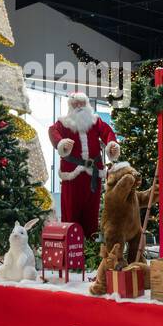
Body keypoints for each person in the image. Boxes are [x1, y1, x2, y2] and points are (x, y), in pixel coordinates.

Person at [47, 91, 119, 238]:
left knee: (92, 213)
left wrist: (111, 144)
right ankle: (72, 247)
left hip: (93, 174)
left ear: (87, 105)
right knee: (71, 213)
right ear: (70, 106)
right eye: (75, 104)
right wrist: (61, 143)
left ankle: (91, 249)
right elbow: (53, 131)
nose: (79, 107)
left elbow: (107, 132)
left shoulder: (95, 122)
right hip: (73, 175)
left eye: (82, 103)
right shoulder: (64, 123)